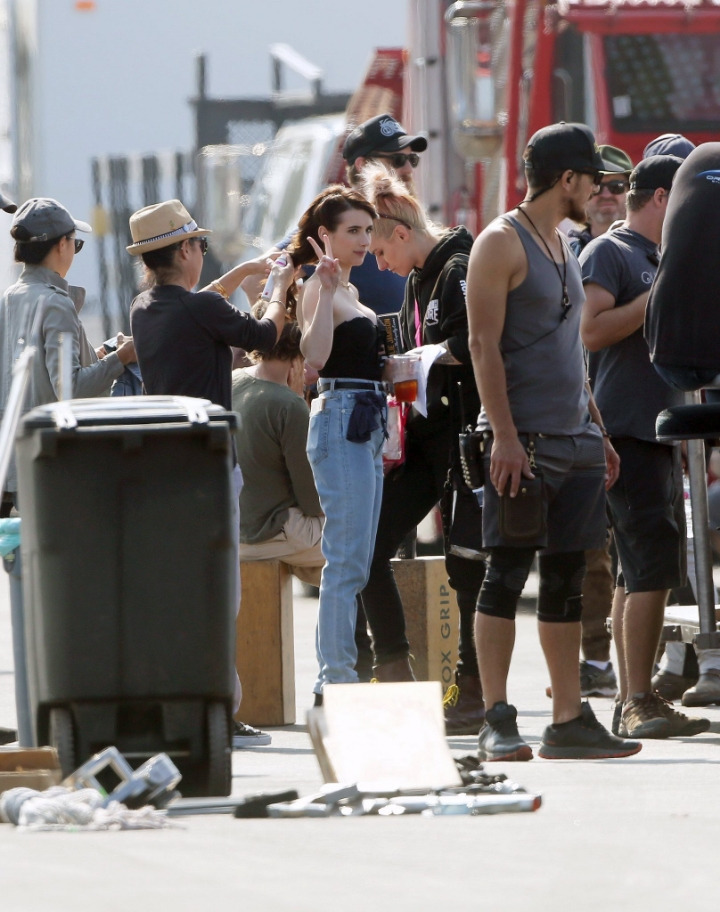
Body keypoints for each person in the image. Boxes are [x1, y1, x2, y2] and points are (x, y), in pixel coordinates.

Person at [466, 121, 641, 761]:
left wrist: (598, 430)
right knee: (506, 575)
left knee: (567, 581)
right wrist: (504, 436)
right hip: (527, 444)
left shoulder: (564, 245)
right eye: (593, 176)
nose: (599, 188)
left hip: (575, 440)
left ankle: (567, 719)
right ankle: (496, 716)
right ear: (566, 179)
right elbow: (483, 345)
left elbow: (569, 352)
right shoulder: (499, 243)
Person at [127, 198, 289, 749]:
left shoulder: (145, 307)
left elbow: (201, 305)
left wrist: (241, 274)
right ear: (185, 251)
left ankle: (189, 703)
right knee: (222, 593)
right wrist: (281, 285)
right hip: (210, 464)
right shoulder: (199, 309)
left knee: (178, 589)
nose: (203, 251)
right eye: (198, 244)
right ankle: (222, 708)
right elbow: (265, 335)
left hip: (163, 467)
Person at [579, 154, 709, 739]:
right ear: (662, 198)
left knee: (638, 572)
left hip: (651, 432)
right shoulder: (612, 251)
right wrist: (658, 299)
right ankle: (637, 698)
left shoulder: (658, 258)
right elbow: (591, 329)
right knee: (651, 568)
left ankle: (635, 697)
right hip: (624, 432)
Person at [0, 196, 135, 747]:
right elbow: (69, 391)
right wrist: (119, 360)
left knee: (26, 597)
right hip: (51, 470)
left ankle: (37, 713)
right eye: (74, 245)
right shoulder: (54, 306)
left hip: (12, 465)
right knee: (64, 598)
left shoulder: (10, 300)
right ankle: (57, 716)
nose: (75, 252)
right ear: (59, 248)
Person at [357, 165, 486, 733]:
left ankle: (475, 688)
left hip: (462, 436)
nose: (378, 264)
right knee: (367, 544)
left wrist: (419, 359)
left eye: (380, 253)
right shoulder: (415, 282)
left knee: (468, 567)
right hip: (421, 440)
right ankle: (395, 671)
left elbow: (476, 343)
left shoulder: (459, 267)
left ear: (401, 235)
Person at [287, 185, 386, 702]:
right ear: (324, 236)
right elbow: (316, 357)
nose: (364, 240)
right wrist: (324, 289)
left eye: (368, 231)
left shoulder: (354, 292)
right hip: (341, 414)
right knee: (345, 560)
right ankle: (335, 679)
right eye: (353, 231)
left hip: (366, 419)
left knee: (358, 561)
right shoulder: (320, 286)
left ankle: (340, 676)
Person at [232, 297, 324, 585]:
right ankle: (352, 631)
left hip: (233, 533)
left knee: (315, 566)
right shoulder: (289, 405)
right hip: (270, 533)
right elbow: (313, 502)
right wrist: (299, 401)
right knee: (358, 546)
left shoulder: (230, 380)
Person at [341, 113, 427, 315]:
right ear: (362, 166)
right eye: (397, 159)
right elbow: (260, 276)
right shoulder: (336, 224)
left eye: (412, 159)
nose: (407, 169)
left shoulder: (411, 221)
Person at [567, 144, 634, 256]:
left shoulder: (652, 250)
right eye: (597, 187)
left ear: (631, 191)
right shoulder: (568, 257)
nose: (606, 195)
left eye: (616, 186)